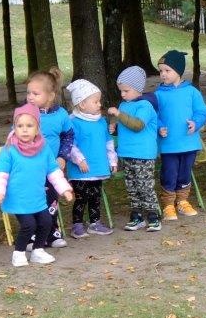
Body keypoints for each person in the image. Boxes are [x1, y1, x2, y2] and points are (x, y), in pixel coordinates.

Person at [0, 103, 74, 267]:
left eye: (29, 126)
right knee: (29, 225)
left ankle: (38, 251)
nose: (24, 130)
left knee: (46, 222)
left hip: (37, 197)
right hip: (18, 198)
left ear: (37, 128)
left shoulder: (44, 149)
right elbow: (0, 173)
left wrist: (64, 189)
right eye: (20, 126)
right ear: (14, 128)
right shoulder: (9, 150)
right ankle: (19, 253)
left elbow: (53, 171)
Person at [25, 68, 82, 248]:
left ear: (50, 96)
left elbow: (68, 136)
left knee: (51, 200)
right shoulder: (25, 114)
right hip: (30, 167)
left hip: (52, 168)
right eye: (28, 93)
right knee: (32, 200)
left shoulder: (61, 114)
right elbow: (14, 137)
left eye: (35, 93)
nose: (30, 97)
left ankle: (52, 234)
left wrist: (63, 156)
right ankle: (31, 236)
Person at [107, 66, 161, 231]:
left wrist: (118, 115)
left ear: (138, 89)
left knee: (145, 186)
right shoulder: (124, 105)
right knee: (131, 187)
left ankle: (153, 216)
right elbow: (124, 124)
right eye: (121, 91)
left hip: (143, 154)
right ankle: (137, 216)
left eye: (126, 91)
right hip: (127, 153)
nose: (123, 94)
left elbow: (137, 125)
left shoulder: (145, 106)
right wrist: (114, 127)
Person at [154, 50, 206, 219]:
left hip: (189, 143)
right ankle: (168, 204)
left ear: (178, 71)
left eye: (167, 70)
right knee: (169, 173)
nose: (163, 74)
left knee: (185, 173)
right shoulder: (158, 95)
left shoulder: (192, 91)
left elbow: (202, 111)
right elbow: (154, 116)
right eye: (161, 71)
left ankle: (182, 201)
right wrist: (160, 127)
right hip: (169, 144)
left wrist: (196, 123)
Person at [65, 78, 116, 237]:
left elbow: (108, 142)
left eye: (99, 101)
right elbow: (70, 144)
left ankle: (95, 223)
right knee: (81, 198)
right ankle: (77, 224)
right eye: (95, 101)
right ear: (82, 104)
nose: (100, 104)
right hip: (81, 171)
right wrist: (80, 159)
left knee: (95, 196)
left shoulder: (101, 121)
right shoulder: (72, 122)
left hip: (98, 167)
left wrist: (112, 160)